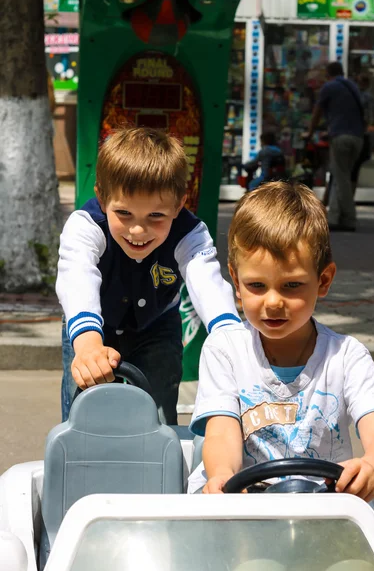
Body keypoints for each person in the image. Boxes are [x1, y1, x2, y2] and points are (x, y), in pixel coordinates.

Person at [188, 181, 374, 500]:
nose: (273, 302)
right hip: (244, 504)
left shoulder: (347, 356)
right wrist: (223, 475)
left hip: (323, 507)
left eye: (291, 286)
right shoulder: (225, 350)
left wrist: (371, 467)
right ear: (236, 280)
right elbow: (221, 433)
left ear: (323, 280)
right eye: (257, 285)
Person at [56, 127, 242, 424]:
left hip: (156, 326)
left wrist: (230, 335)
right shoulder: (85, 227)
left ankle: (157, 462)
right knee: (84, 413)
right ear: (102, 199)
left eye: (156, 216)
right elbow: (76, 275)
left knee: (157, 412)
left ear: (179, 204)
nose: (138, 230)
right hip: (92, 326)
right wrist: (88, 342)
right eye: (124, 214)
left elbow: (207, 282)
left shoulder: (190, 233)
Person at [306, 61, 364, 232]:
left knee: (341, 178)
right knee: (341, 176)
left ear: (328, 74)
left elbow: (317, 112)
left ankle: (349, 218)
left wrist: (310, 132)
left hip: (341, 137)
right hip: (358, 137)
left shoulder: (329, 87)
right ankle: (335, 217)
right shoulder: (352, 86)